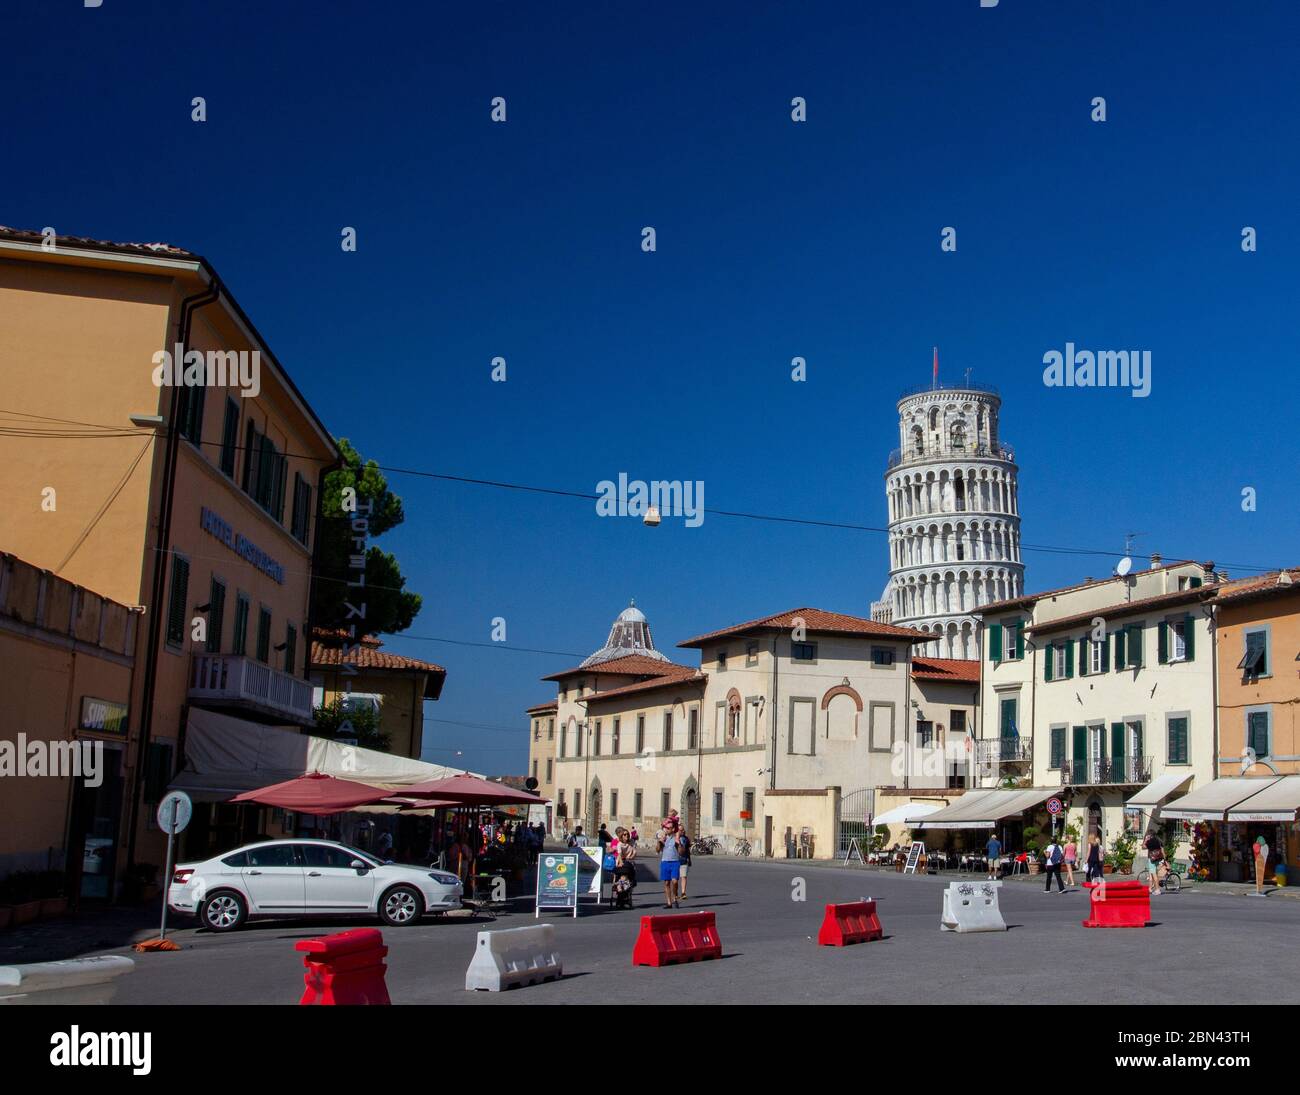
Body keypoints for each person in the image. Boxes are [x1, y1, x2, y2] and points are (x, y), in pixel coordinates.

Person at [657, 824, 684, 908]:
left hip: (675, 862)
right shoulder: (664, 838)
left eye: (668, 828)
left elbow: (681, 852)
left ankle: (675, 896)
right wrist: (659, 842)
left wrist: (678, 843)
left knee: (675, 881)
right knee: (667, 882)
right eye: (666, 828)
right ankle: (669, 902)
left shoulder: (677, 838)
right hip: (665, 862)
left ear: (673, 829)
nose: (666, 829)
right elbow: (657, 850)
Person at [1143, 829, 1165, 896]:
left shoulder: (1150, 841)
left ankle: (1157, 890)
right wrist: (1164, 859)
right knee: (1154, 874)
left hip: (1152, 860)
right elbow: (1162, 850)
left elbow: (1143, 847)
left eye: (1148, 835)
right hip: (1158, 858)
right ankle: (1152, 888)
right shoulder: (1158, 840)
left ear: (1150, 835)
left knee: (1154, 874)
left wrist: (1146, 840)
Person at [677, 828, 693, 899]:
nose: (683, 831)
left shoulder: (686, 839)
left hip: (684, 859)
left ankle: (683, 892)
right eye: (680, 830)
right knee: (675, 878)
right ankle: (676, 893)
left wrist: (689, 860)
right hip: (675, 860)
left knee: (683, 876)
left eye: (683, 830)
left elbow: (687, 850)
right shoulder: (674, 838)